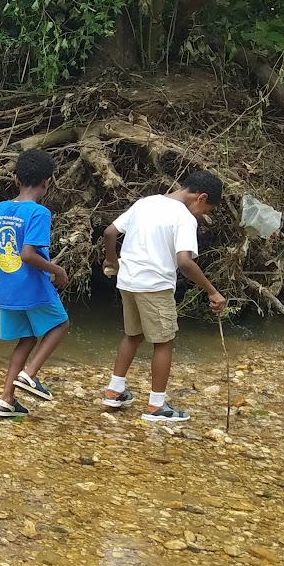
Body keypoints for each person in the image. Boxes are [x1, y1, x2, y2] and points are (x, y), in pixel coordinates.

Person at [101, 171, 228, 423]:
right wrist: (212, 291)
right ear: (201, 197)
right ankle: (156, 406)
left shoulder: (145, 203)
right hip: (155, 285)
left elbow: (109, 232)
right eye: (205, 210)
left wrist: (112, 260)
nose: (201, 215)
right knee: (164, 342)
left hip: (128, 281)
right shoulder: (183, 217)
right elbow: (184, 262)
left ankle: (115, 391)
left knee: (133, 335)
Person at [0, 149, 70, 418]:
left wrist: (0, 271)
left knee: (27, 338)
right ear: (47, 182)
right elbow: (28, 254)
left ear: (16, 179)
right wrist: (57, 270)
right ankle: (29, 375)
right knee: (60, 324)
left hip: (7, 288)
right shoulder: (39, 213)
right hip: (34, 287)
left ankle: (6, 400)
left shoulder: (0, 208)